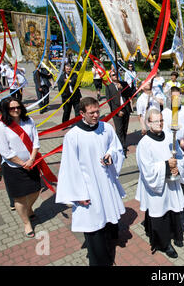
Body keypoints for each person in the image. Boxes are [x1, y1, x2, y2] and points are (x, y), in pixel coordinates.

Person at [56, 97, 126, 266]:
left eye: (97, 111)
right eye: (91, 113)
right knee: (94, 226)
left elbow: (115, 147)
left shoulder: (106, 128)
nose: (96, 115)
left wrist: (111, 155)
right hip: (88, 187)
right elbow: (69, 167)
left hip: (106, 182)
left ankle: (108, 247)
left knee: (107, 219)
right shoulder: (73, 136)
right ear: (81, 114)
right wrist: (77, 194)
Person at [135, 108, 184, 259]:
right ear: (148, 122)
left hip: (171, 182)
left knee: (173, 209)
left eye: (161, 120)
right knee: (160, 212)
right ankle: (164, 244)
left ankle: (176, 234)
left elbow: (179, 157)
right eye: (156, 121)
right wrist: (166, 165)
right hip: (156, 185)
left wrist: (177, 168)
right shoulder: (144, 143)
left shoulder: (170, 135)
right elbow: (147, 169)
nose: (160, 123)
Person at [0, 97, 42, 238]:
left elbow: (36, 141)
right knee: (19, 197)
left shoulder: (29, 121)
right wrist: (22, 164)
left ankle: (28, 209)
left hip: (31, 162)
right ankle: (26, 223)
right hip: (13, 167)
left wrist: (31, 159)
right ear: (5, 110)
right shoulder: (1, 126)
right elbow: (5, 152)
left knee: (36, 190)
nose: (16, 110)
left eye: (18, 107)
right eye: (11, 108)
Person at [162, 87, 184, 214]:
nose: (177, 100)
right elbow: (165, 133)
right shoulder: (165, 113)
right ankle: (181, 202)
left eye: (179, 97)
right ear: (170, 98)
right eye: (174, 97)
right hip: (173, 149)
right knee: (179, 174)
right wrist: (177, 141)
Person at [105, 69, 133, 156]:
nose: (115, 76)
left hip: (126, 109)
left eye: (116, 74)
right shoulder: (109, 87)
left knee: (124, 129)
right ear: (110, 77)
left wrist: (122, 88)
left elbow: (130, 93)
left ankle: (123, 143)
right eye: (113, 75)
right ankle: (122, 148)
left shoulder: (124, 83)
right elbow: (110, 102)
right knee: (119, 130)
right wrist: (117, 112)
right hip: (117, 111)